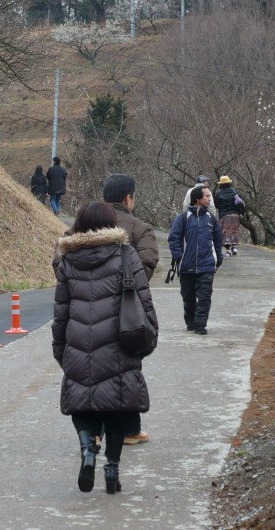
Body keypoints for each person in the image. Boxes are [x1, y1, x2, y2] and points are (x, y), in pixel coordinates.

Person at [53, 201, 158, 495]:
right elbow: (144, 301)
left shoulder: (68, 260)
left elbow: (61, 310)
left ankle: (88, 448)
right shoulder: (126, 254)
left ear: (81, 226)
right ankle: (112, 470)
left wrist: (60, 348)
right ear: (112, 223)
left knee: (81, 402)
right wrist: (148, 339)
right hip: (119, 344)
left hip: (78, 344)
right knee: (116, 406)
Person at [101, 173, 158, 446]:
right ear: (128, 198)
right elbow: (147, 261)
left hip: (86, 308)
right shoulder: (139, 228)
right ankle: (129, 430)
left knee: (92, 363)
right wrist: (129, 285)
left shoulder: (83, 224)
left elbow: (59, 260)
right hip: (125, 309)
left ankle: (94, 430)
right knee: (127, 365)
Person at [168, 185, 224, 335]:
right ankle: (191, 322)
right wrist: (179, 256)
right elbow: (174, 239)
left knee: (204, 296)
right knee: (188, 297)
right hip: (187, 266)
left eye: (209, 196)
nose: (209, 198)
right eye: (206, 196)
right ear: (197, 198)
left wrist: (218, 258)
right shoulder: (182, 219)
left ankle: (200, 325)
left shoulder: (212, 219)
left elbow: (218, 241)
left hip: (207, 266)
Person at [213, 175, 245, 256]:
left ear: (221, 184)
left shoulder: (219, 194)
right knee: (234, 230)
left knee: (225, 231)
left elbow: (216, 205)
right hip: (235, 214)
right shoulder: (234, 191)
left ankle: (228, 250)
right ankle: (234, 247)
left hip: (224, 215)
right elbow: (240, 202)